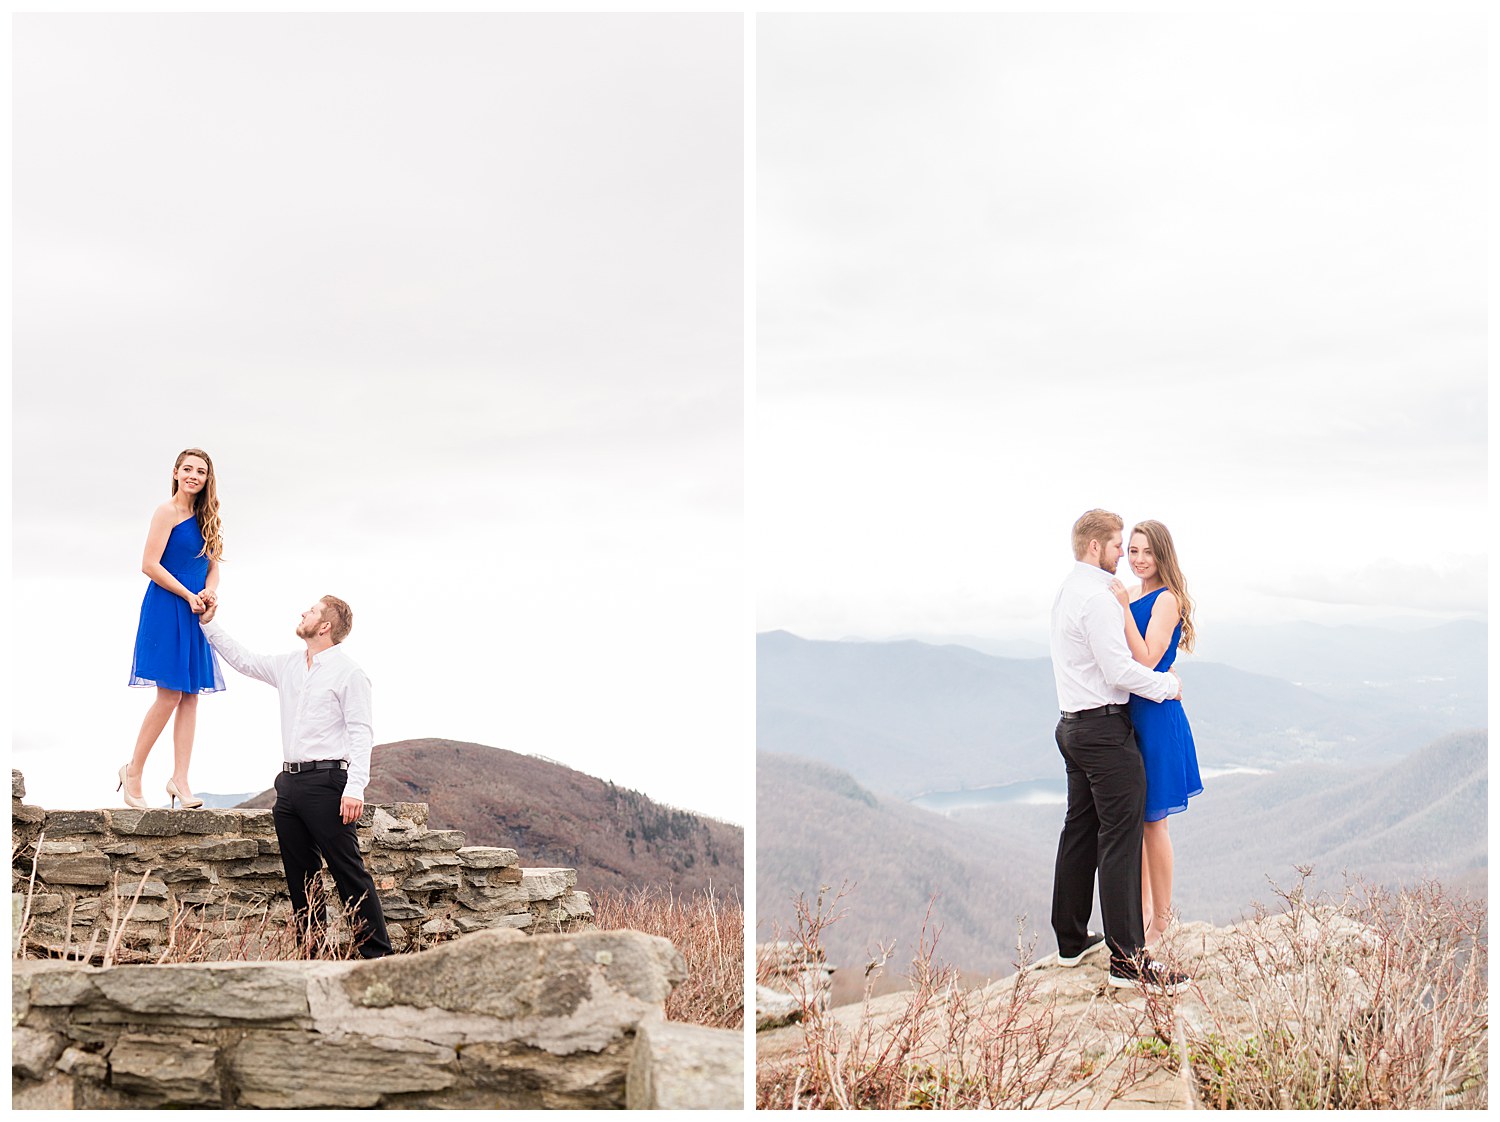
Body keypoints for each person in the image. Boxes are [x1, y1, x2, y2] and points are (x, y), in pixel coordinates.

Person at [198, 595, 392, 958]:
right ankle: (313, 956)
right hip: (288, 786)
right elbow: (244, 660)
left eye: (312, 610)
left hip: (329, 784)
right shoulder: (288, 665)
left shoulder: (349, 673)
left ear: (325, 626)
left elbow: (361, 732)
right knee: (302, 881)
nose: (303, 612)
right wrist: (208, 623)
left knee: (349, 874)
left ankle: (378, 958)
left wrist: (355, 788)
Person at [1048, 508, 1191, 994]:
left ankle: (1071, 940)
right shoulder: (1101, 598)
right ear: (1097, 548)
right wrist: (1168, 686)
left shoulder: (1069, 590)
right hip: (1106, 731)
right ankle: (1128, 960)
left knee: (1080, 831)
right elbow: (1120, 670)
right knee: (1120, 838)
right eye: (1118, 547)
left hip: (1072, 725)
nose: (1123, 556)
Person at [1111, 520, 1203, 948]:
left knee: (1154, 823)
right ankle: (1144, 915)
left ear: (1162, 554)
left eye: (1146, 552)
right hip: (1133, 714)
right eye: (1132, 551)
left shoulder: (1165, 600)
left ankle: (1162, 922)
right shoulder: (1134, 595)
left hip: (1157, 718)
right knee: (1138, 823)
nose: (1138, 559)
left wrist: (1123, 609)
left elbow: (1147, 659)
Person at [121, 448, 226, 810]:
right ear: (177, 473)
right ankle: (133, 771)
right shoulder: (166, 512)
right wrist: (186, 594)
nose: (194, 475)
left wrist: (210, 593)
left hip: (194, 610)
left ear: (207, 478)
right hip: (167, 607)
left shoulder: (208, 516)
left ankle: (179, 780)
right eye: (188, 469)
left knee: (191, 695)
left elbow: (213, 567)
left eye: (201, 471)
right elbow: (149, 564)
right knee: (169, 695)